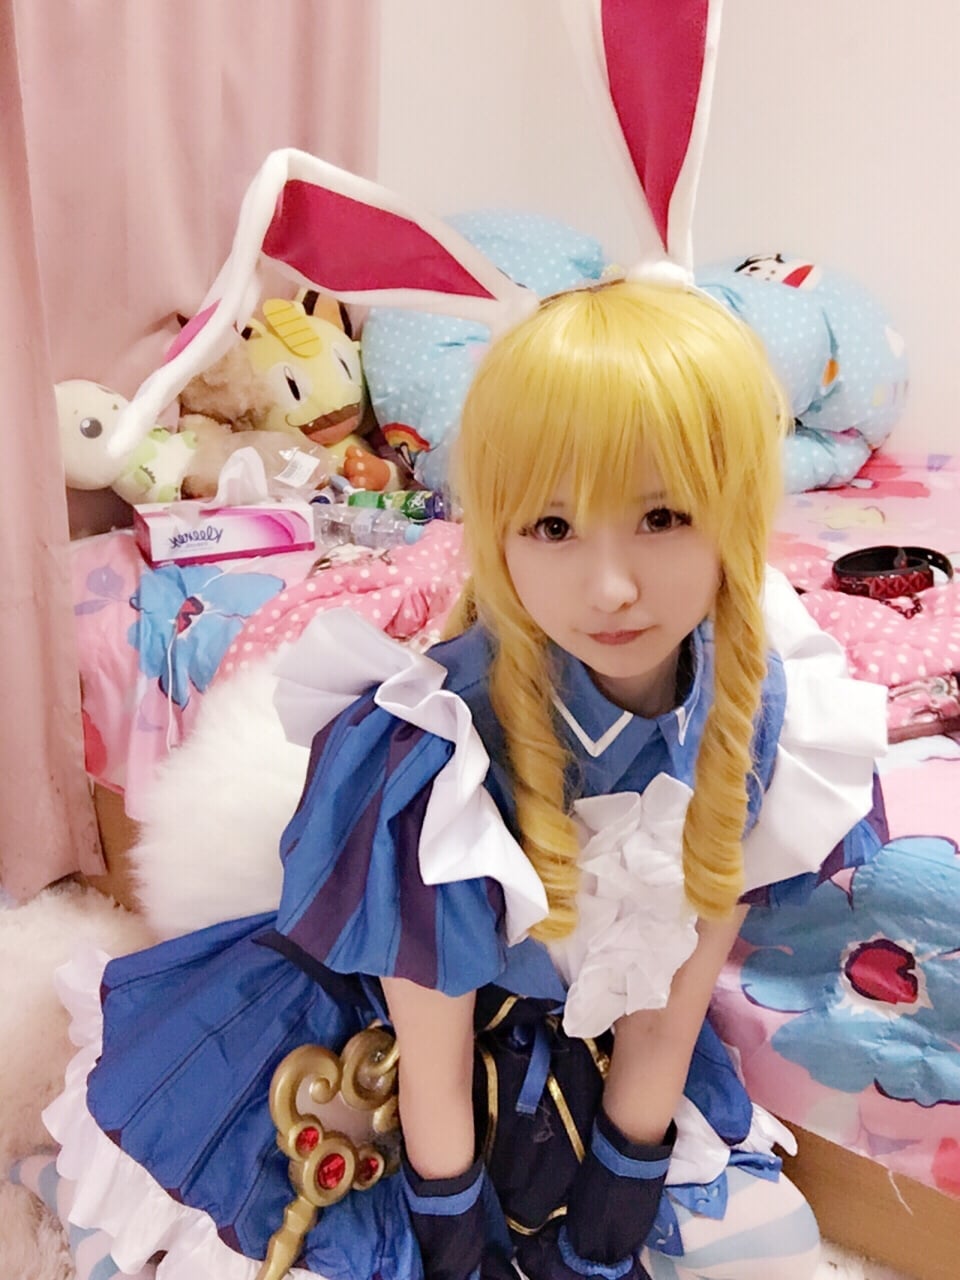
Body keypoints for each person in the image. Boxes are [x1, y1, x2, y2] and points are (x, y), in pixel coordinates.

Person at [46, 280, 886, 1280]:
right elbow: (434, 1057)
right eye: (553, 528)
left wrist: (608, 1227)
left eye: (662, 515)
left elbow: (670, 1013)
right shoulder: (431, 748)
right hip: (404, 1061)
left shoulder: (763, 711)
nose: (611, 588)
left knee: (771, 1250)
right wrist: (454, 1248)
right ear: (496, 532)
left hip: (594, 1063)